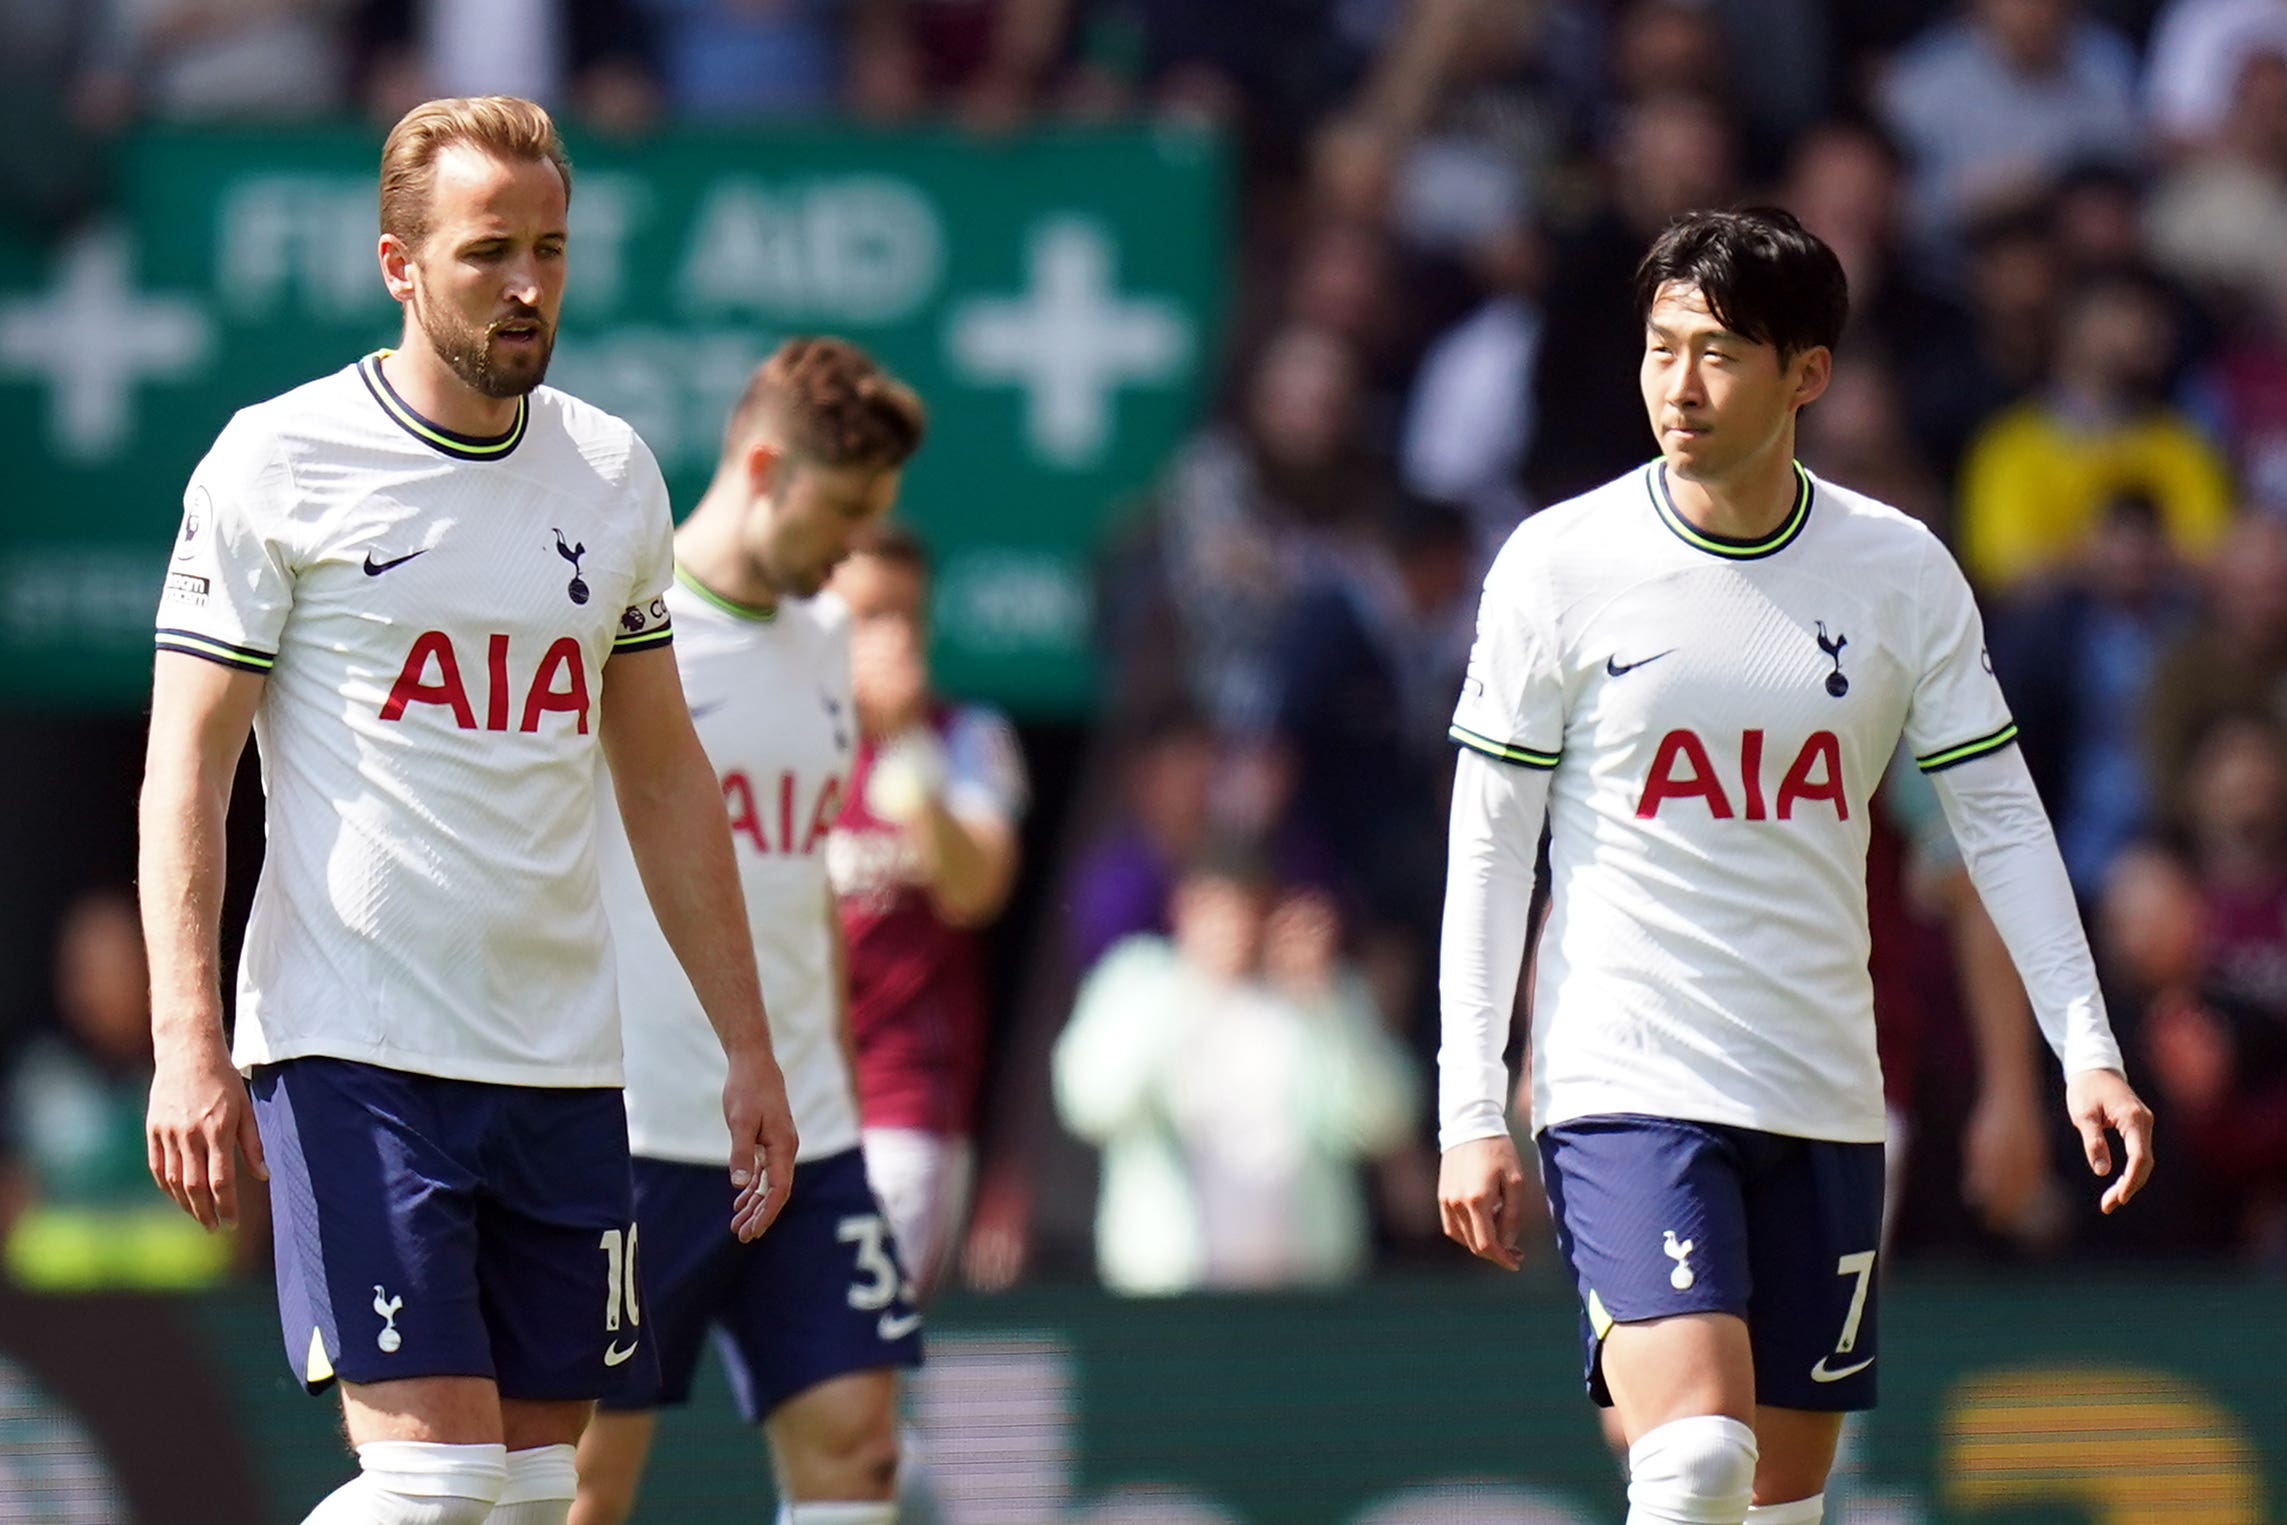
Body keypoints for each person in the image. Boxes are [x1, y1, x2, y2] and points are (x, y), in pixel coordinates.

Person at [1436, 207, 2153, 1525]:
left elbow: (1991, 816)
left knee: (1780, 1492)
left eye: (1715, 353)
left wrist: (2083, 1045)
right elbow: (1489, 840)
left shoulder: (1895, 572)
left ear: (1803, 375)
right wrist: (1469, 1102)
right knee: (1691, 1453)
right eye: (1660, 348)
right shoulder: (1557, 564)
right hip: (1624, 1075)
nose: (1679, 385)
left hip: (1824, 1089)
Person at [141, 96, 798, 1525]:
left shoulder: (613, 471)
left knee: (523, 1494)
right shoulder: (278, 459)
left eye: (551, 250)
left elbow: (665, 773)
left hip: (564, 1063)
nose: (525, 285)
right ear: (398, 263)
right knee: (434, 1486)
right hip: (357, 1045)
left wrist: (747, 1045)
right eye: (489, 249)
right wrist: (186, 1040)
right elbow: (183, 768)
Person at [571, 337, 928, 1525]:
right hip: (638, 1130)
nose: (854, 545)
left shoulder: (827, 640)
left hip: (807, 1134)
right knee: (583, 1483)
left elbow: (803, 891)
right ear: (764, 464)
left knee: (859, 1450)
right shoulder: (620, 626)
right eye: (842, 508)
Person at [825, 530, 1026, 1303]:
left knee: (853, 1366)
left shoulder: (967, 737)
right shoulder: (766, 738)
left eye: (908, 617)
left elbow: (974, 887)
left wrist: (904, 741)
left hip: (900, 1107)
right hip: (757, 1105)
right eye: (869, 615)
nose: (893, 639)